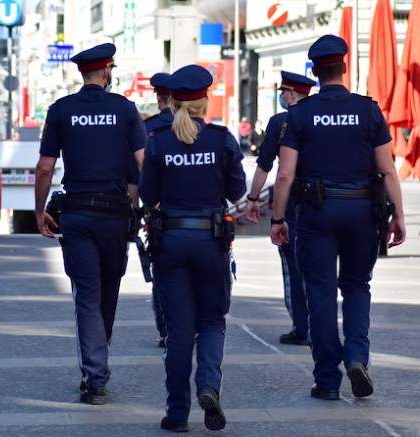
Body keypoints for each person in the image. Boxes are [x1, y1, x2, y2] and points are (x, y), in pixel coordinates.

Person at [270, 35, 405, 400]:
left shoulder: (300, 114)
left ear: (314, 71)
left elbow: (285, 174)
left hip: (316, 213)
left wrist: (278, 219)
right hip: (362, 211)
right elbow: (387, 169)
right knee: (357, 285)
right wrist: (398, 215)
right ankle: (357, 356)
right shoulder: (368, 110)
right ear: (344, 67)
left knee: (321, 291)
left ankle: (327, 380)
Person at [33, 42, 147, 405]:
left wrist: (39, 210)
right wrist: (155, 207)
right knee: (108, 291)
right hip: (115, 215)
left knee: (86, 294)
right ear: (107, 70)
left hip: (78, 214)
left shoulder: (61, 109)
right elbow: (144, 162)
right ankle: (98, 360)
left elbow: (45, 168)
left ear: (82, 73)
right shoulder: (125, 109)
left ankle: (95, 376)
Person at [139, 65, 246, 432]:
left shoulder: (158, 141)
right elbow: (237, 191)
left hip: (170, 242)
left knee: (179, 331)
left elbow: (148, 195)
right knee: (212, 321)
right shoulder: (222, 140)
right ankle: (208, 386)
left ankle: (177, 413)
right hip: (210, 242)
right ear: (205, 101)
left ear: (172, 103)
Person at [245, 70, 316, 346]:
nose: (282, 97)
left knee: (293, 265)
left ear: (292, 94)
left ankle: (302, 327)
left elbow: (265, 165)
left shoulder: (280, 122)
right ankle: (320, 326)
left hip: (293, 203)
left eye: (283, 93)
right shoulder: (320, 116)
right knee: (320, 266)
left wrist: (253, 198)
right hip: (326, 202)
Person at [143, 72, 174, 348]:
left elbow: (140, 173)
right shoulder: (202, 129)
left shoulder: (148, 128)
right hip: (198, 214)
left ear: (158, 97)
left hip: (159, 214)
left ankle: (167, 329)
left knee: (163, 275)